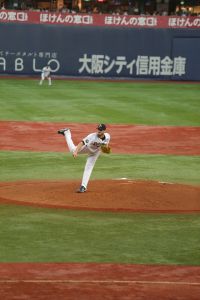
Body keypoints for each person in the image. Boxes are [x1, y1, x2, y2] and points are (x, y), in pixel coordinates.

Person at [57, 124, 111, 193]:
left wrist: (106, 149)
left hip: (95, 153)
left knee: (89, 167)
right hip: (86, 148)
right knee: (73, 150)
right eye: (98, 129)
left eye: (100, 130)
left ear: (104, 130)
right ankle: (67, 133)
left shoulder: (108, 136)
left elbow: (105, 146)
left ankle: (83, 186)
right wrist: (76, 152)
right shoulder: (92, 136)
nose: (98, 131)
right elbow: (81, 143)